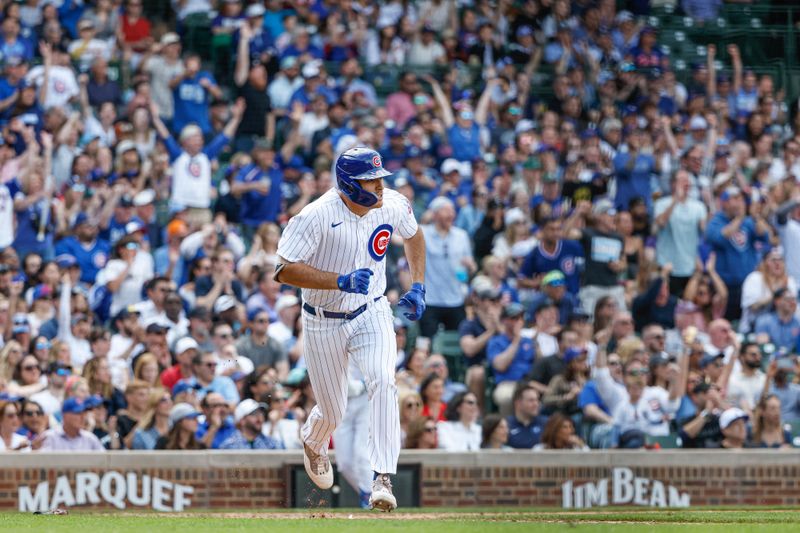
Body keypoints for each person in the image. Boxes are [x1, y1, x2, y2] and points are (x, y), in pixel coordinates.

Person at [274, 147, 426, 512]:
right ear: (347, 184)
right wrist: (338, 281)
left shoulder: (391, 202)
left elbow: (414, 235)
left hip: (372, 311)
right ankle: (313, 438)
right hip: (321, 318)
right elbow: (282, 269)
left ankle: (382, 477)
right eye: (369, 180)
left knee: (383, 380)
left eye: (379, 178)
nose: (377, 186)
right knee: (333, 412)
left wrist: (419, 284)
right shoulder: (315, 216)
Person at [420, 196, 475, 338]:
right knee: (427, 342)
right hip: (430, 299)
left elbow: (471, 269)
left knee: (458, 342)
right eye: (446, 210)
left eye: (452, 210)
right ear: (435, 214)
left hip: (455, 299)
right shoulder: (423, 233)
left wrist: (470, 266)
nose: (451, 214)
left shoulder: (461, 236)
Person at [486, 302, 536, 416]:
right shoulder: (496, 341)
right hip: (508, 383)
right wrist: (517, 339)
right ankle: (508, 429)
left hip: (529, 383)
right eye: (514, 318)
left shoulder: (529, 341)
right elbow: (500, 365)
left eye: (521, 318)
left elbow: (539, 364)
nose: (518, 321)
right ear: (503, 320)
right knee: (505, 397)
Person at [40, 397, 105, 451]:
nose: (82, 417)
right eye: (78, 413)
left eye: (83, 413)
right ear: (64, 415)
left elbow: (106, 462)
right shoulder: (49, 437)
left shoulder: (90, 438)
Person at [506, 385, 548, 449]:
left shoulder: (547, 423)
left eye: (537, 400)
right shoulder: (506, 424)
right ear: (518, 403)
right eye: (531, 400)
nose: (536, 404)